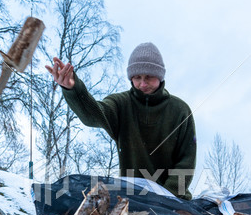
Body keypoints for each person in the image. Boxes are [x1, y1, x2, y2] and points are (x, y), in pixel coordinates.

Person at [46, 42, 196, 200]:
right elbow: (94, 115)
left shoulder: (181, 111)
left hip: (173, 199)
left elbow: (186, 162)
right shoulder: (120, 104)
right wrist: (73, 89)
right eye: (137, 77)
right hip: (132, 197)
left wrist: (166, 198)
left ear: (160, 76)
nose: (142, 84)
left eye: (149, 77)